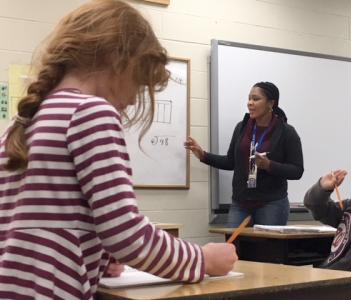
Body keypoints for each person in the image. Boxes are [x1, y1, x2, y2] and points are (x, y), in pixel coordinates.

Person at [0, 1, 237, 299]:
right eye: (139, 84)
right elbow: (127, 235)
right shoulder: (91, 112)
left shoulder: (25, 121)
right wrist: (202, 260)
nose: (133, 101)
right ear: (119, 61)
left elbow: (45, 222)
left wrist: (96, 250)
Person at [185, 82, 303, 226]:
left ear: (271, 103)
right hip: (240, 203)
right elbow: (230, 162)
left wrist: (269, 165)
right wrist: (203, 155)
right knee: (234, 247)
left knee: (267, 248)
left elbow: (297, 171)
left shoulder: (286, 132)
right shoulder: (241, 127)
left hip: (272, 204)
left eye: (256, 99)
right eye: (249, 99)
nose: (250, 103)